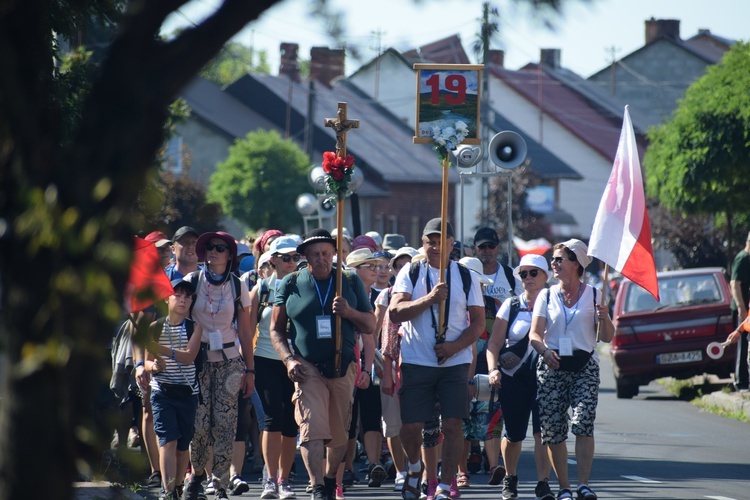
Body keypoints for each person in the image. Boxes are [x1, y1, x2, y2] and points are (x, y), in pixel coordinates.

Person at [270, 229, 376, 500]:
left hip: (342, 366)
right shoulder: (291, 283)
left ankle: (330, 480)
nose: (321, 259)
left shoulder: (349, 281)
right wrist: (289, 359)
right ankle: (317, 486)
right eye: (315, 254)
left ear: (334, 254)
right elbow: (276, 330)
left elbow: (370, 324)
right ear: (304, 256)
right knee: (311, 427)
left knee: (339, 434)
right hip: (307, 367)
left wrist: (348, 312)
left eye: (326, 253)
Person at [389, 218, 485, 500]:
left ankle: (444, 483)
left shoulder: (466, 276)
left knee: (453, 424)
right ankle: (415, 467)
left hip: (454, 363)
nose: (434, 246)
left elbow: (478, 323)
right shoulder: (411, 271)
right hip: (417, 360)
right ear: (422, 243)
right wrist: (429, 300)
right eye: (429, 241)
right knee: (411, 426)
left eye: (440, 241)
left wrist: (455, 347)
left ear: (452, 245)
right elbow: (395, 313)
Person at [528, 240, 614, 500]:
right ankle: (564, 487)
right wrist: (544, 352)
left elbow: (607, 337)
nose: (553, 264)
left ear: (575, 263)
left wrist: (605, 317)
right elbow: (534, 333)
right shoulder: (546, 295)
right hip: (552, 365)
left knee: (583, 421)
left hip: (584, 366)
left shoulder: (595, 294)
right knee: (553, 430)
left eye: (558, 259)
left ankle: (583, 485)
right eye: (553, 259)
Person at [183, 231, 255, 500]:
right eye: (209, 247)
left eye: (220, 248)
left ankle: (221, 484)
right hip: (198, 361)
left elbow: (246, 333)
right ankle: (196, 475)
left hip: (229, 363)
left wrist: (250, 370)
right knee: (199, 425)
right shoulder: (192, 281)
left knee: (225, 425)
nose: (213, 251)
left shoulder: (238, 286)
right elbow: (179, 319)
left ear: (229, 255)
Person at [486, 254, 554, 500]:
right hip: (513, 378)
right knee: (513, 434)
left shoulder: (556, 304)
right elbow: (493, 343)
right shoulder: (511, 305)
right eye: (523, 274)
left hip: (546, 378)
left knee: (542, 433)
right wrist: (494, 369)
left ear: (546, 277)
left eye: (533, 273)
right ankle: (510, 477)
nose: (528, 278)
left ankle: (543, 483)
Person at [250, 236, 301, 500]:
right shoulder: (262, 288)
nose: (291, 262)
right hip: (266, 360)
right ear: (273, 260)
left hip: (297, 362)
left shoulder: (306, 286)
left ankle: (285, 479)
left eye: (295, 257)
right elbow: (247, 331)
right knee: (272, 419)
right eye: (285, 257)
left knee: (292, 422)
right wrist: (247, 368)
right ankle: (270, 479)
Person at [143, 278, 202, 500]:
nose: (183, 300)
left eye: (188, 296)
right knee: (168, 441)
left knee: (182, 445)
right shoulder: (155, 327)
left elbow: (189, 357)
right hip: (162, 392)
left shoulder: (195, 327)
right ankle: (167, 491)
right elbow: (147, 362)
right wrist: (153, 365)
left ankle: (177, 486)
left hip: (187, 393)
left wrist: (161, 350)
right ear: (167, 298)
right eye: (178, 295)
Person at [472, 227, 522, 480]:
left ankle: (493, 462)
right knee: (469, 405)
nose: (486, 251)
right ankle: (472, 452)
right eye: (482, 247)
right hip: (470, 349)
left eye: (491, 246)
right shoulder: (466, 274)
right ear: (475, 249)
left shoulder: (512, 278)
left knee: (492, 406)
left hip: (501, 353)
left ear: (498, 249)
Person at [343, 248, 386, 490]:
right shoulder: (344, 295)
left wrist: (368, 370)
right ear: (355, 270)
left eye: (376, 265)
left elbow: (370, 338)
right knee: (348, 420)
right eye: (369, 266)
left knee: (371, 414)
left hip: (368, 363)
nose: (376, 270)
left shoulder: (378, 296)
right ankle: (346, 467)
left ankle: (373, 464)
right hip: (346, 363)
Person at [377, 247, 419, 493]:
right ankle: (401, 471)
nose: (403, 269)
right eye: (399, 265)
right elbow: (380, 331)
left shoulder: (424, 294)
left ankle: (419, 468)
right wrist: (382, 367)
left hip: (418, 364)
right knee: (393, 423)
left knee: (417, 422)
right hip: (391, 363)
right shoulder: (387, 294)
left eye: (409, 264)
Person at [730, 232, 750, 390]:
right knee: (743, 345)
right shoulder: (742, 258)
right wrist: (741, 308)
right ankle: (741, 381)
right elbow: (734, 284)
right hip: (743, 309)